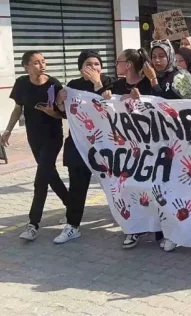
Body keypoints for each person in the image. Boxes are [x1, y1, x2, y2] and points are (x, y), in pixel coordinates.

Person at [2, 51, 68, 241]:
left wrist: (51, 112)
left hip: (53, 136)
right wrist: (7, 130)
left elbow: (62, 114)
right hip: (34, 137)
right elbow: (17, 109)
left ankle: (33, 224)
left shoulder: (53, 84)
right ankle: (72, 205)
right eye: (37, 62)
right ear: (27, 67)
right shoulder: (21, 83)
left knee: (40, 180)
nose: (42, 65)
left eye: (43, 61)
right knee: (49, 174)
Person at [99, 48, 159, 250]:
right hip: (123, 148)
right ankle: (132, 229)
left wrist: (141, 100)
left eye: (119, 61)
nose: (116, 64)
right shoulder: (115, 86)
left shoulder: (147, 85)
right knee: (126, 187)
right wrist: (107, 98)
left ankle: (157, 227)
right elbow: (101, 107)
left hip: (148, 147)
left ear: (129, 65)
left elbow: (161, 108)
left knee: (150, 187)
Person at [53, 50, 114, 244]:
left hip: (106, 146)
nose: (94, 68)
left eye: (97, 64)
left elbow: (112, 109)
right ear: (81, 68)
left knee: (116, 186)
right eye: (89, 64)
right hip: (80, 144)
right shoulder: (73, 86)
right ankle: (72, 225)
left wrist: (98, 84)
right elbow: (66, 114)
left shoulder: (109, 82)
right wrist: (60, 102)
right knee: (77, 187)